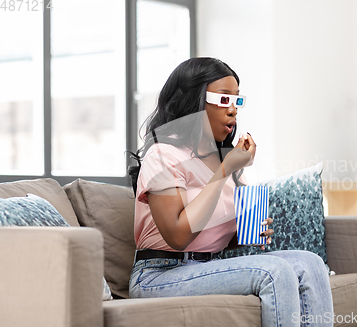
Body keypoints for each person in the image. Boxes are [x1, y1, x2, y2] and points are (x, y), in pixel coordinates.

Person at [128, 57, 334, 327]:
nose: (233, 110)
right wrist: (225, 170)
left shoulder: (222, 159)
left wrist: (247, 232)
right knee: (275, 272)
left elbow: (211, 235)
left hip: (204, 267)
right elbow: (178, 236)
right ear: (194, 101)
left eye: (237, 100)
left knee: (311, 263)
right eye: (223, 99)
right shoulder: (162, 154)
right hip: (158, 275)